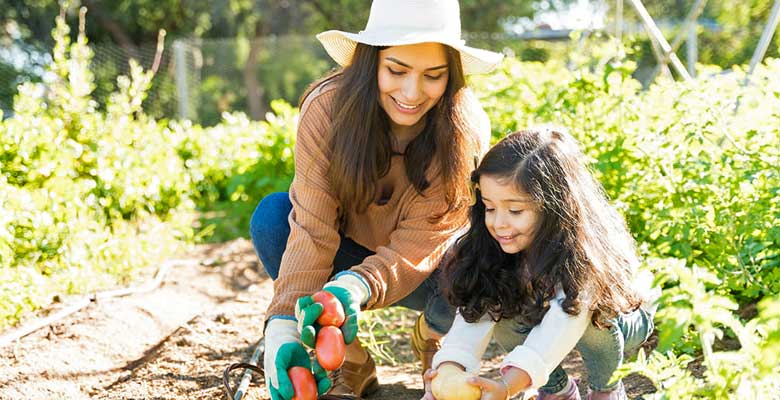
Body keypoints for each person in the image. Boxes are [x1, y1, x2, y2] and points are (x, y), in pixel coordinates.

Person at [248, 1, 504, 399]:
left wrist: (356, 286)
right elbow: (313, 226)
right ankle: (348, 358)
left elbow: (424, 239)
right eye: (396, 70)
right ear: (371, 62)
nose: (412, 92)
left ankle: (436, 336)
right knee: (272, 218)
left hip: (427, 270)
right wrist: (283, 324)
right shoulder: (327, 110)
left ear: (450, 76)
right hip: (344, 252)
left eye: (433, 76)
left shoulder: (461, 128)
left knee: (482, 255)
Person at [422, 129, 660, 400]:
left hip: (621, 318)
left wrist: (508, 385)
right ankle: (557, 391)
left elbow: (563, 322)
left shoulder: (583, 256)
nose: (499, 223)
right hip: (547, 312)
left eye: (515, 211)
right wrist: (450, 368)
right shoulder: (494, 248)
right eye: (489, 207)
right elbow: (475, 317)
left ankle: (606, 388)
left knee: (595, 319)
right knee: (503, 313)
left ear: (554, 207)